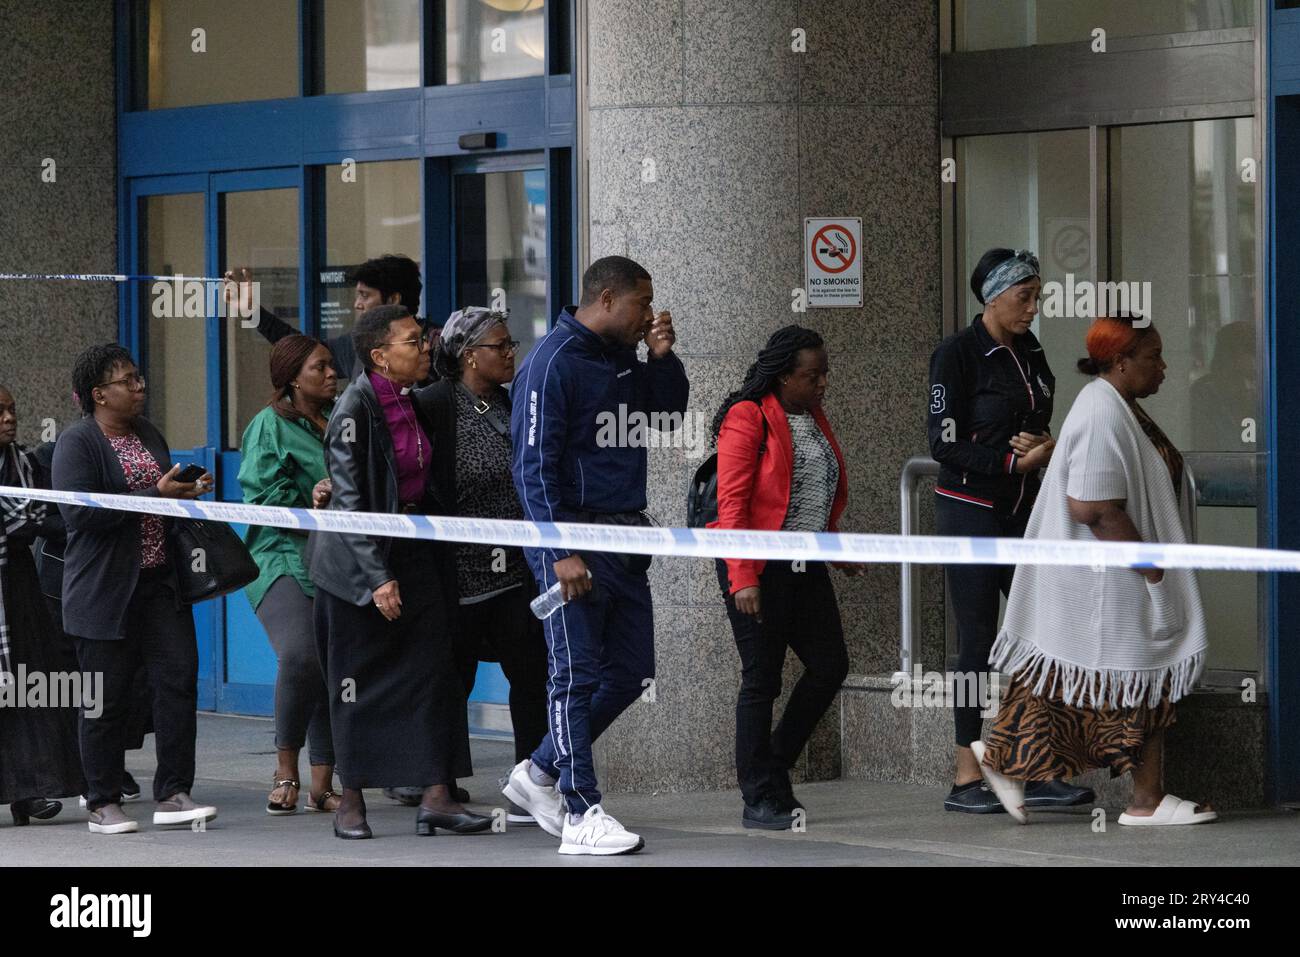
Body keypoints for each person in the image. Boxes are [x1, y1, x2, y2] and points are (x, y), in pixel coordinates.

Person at [971, 315, 1216, 827]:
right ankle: (1146, 800)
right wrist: (1150, 568)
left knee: (1069, 680)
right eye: (1153, 357)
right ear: (1121, 362)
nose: (1164, 367)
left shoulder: (1114, 406)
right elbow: (1094, 506)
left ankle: (1003, 760)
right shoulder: (1103, 411)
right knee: (1145, 676)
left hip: (1098, 575)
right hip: (1109, 576)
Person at [501, 255, 688, 856]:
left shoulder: (624, 361)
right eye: (642, 304)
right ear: (606, 298)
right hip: (572, 539)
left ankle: (537, 773)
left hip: (624, 539)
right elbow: (532, 469)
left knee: (632, 671)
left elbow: (667, 416)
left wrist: (662, 358)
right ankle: (581, 812)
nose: (649, 316)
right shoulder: (550, 363)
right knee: (574, 674)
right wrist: (559, 550)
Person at [306, 305, 490, 839]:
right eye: (414, 341)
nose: (426, 348)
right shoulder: (354, 408)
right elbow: (348, 503)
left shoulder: (414, 402)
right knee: (357, 684)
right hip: (356, 566)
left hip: (415, 552)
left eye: (425, 340)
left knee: (435, 671)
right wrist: (377, 577)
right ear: (380, 356)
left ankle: (438, 795)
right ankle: (352, 802)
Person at [927, 247, 1094, 814]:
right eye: (1024, 297)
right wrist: (1005, 462)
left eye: (1038, 296)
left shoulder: (1033, 351)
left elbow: (1039, 420)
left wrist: (1042, 448)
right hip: (970, 508)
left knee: (1041, 632)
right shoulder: (957, 353)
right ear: (992, 296)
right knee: (979, 638)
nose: (1033, 308)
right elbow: (943, 442)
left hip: (1023, 509)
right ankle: (965, 777)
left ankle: (1035, 763)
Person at [51, 345, 219, 834]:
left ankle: (173, 792)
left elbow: (159, 501)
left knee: (176, 683)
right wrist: (156, 494)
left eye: (139, 377)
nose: (140, 386)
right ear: (100, 394)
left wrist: (184, 490)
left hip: (159, 584)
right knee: (105, 697)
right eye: (128, 380)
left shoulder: (148, 433)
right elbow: (79, 514)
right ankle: (102, 801)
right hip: (103, 592)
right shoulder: (77, 443)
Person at [709, 326, 859, 830]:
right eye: (810, 377)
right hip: (757, 565)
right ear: (783, 376)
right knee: (762, 678)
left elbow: (814, 491)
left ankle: (775, 762)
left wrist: (836, 549)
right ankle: (758, 795)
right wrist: (743, 577)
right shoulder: (747, 416)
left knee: (829, 664)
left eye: (824, 376)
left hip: (805, 563)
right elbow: (731, 505)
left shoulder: (812, 416)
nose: (822, 386)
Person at [415, 307, 549, 825]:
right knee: (453, 679)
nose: (511, 352)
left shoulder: (511, 405)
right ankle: (438, 786)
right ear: (470, 355)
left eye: (511, 343)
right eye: (501, 345)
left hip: (514, 570)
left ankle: (528, 786)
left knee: (531, 673)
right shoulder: (433, 406)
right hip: (456, 573)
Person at [238, 335, 340, 815]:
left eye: (332, 366)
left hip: (335, 560)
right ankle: (285, 770)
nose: (331, 373)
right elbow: (261, 499)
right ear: (292, 378)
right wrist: (312, 500)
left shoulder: (343, 420)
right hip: (279, 554)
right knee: (301, 655)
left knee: (331, 660)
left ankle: (323, 782)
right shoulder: (268, 425)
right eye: (319, 368)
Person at [0, 386, 85, 826]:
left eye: (12, 409)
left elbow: (39, 519)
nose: (9, 418)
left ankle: (30, 790)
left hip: (17, 589)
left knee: (27, 685)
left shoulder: (25, 465)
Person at [228, 253, 433, 381]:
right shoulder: (358, 345)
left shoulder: (437, 344)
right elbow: (302, 349)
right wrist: (252, 312)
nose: (357, 304)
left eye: (365, 295)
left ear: (393, 299)